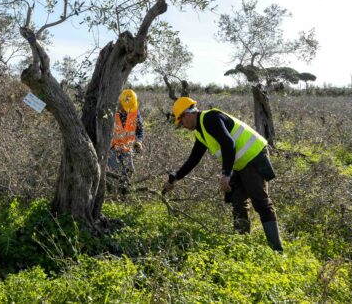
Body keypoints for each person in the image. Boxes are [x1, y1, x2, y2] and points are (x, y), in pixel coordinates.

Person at [162, 97, 283, 252]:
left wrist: (226, 174)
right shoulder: (200, 132)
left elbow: (228, 143)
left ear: (187, 114)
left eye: (181, 121)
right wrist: (175, 178)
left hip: (253, 157)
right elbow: (194, 158)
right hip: (239, 164)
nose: (182, 126)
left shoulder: (210, 118)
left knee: (261, 203)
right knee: (238, 203)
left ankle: (277, 251)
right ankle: (242, 248)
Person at [108, 89, 144, 179]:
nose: (127, 111)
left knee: (128, 173)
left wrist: (139, 141)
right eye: (125, 108)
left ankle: (124, 190)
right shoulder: (110, 112)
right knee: (113, 173)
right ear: (120, 102)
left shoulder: (135, 112)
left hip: (128, 148)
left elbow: (140, 130)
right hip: (112, 148)